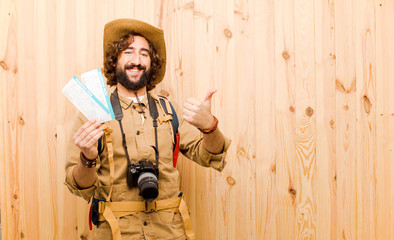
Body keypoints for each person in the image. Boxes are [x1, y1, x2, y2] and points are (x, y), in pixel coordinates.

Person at [65, 18, 231, 240]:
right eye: (128, 52)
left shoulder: (170, 111)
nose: (137, 60)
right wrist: (87, 158)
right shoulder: (93, 114)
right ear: (114, 60)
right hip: (116, 233)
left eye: (144, 54)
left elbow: (211, 156)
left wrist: (210, 127)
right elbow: (79, 186)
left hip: (170, 232)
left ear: (152, 63)